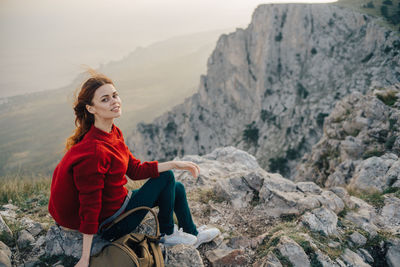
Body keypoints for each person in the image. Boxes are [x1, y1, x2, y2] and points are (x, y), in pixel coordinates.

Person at [48, 70, 220, 267]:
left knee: (177, 188)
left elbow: (135, 169)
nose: (114, 101)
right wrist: (85, 258)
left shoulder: (113, 132)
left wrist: (175, 163)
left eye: (115, 95)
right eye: (105, 99)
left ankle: (193, 234)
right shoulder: (95, 152)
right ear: (91, 108)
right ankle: (167, 233)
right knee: (166, 178)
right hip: (111, 224)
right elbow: (90, 205)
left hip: (119, 204)